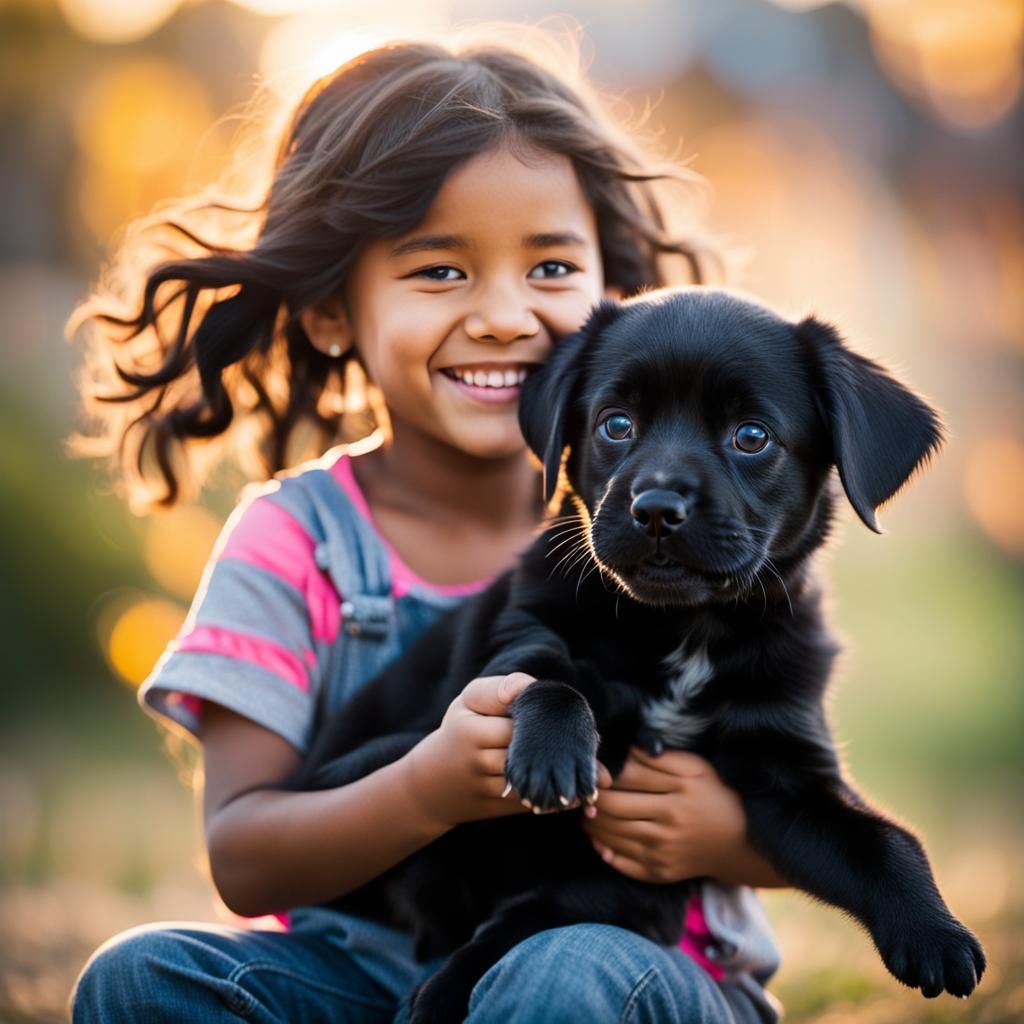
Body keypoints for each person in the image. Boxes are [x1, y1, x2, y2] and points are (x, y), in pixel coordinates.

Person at [69, 27, 784, 1024]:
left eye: (548, 267)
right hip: (364, 981)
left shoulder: (672, 532)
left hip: (630, 976)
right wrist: (426, 788)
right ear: (330, 313)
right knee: (141, 978)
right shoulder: (297, 543)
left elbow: (805, 792)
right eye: (439, 271)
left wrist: (721, 832)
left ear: (611, 298)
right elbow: (242, 853)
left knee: (557, 975)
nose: (501, 315)